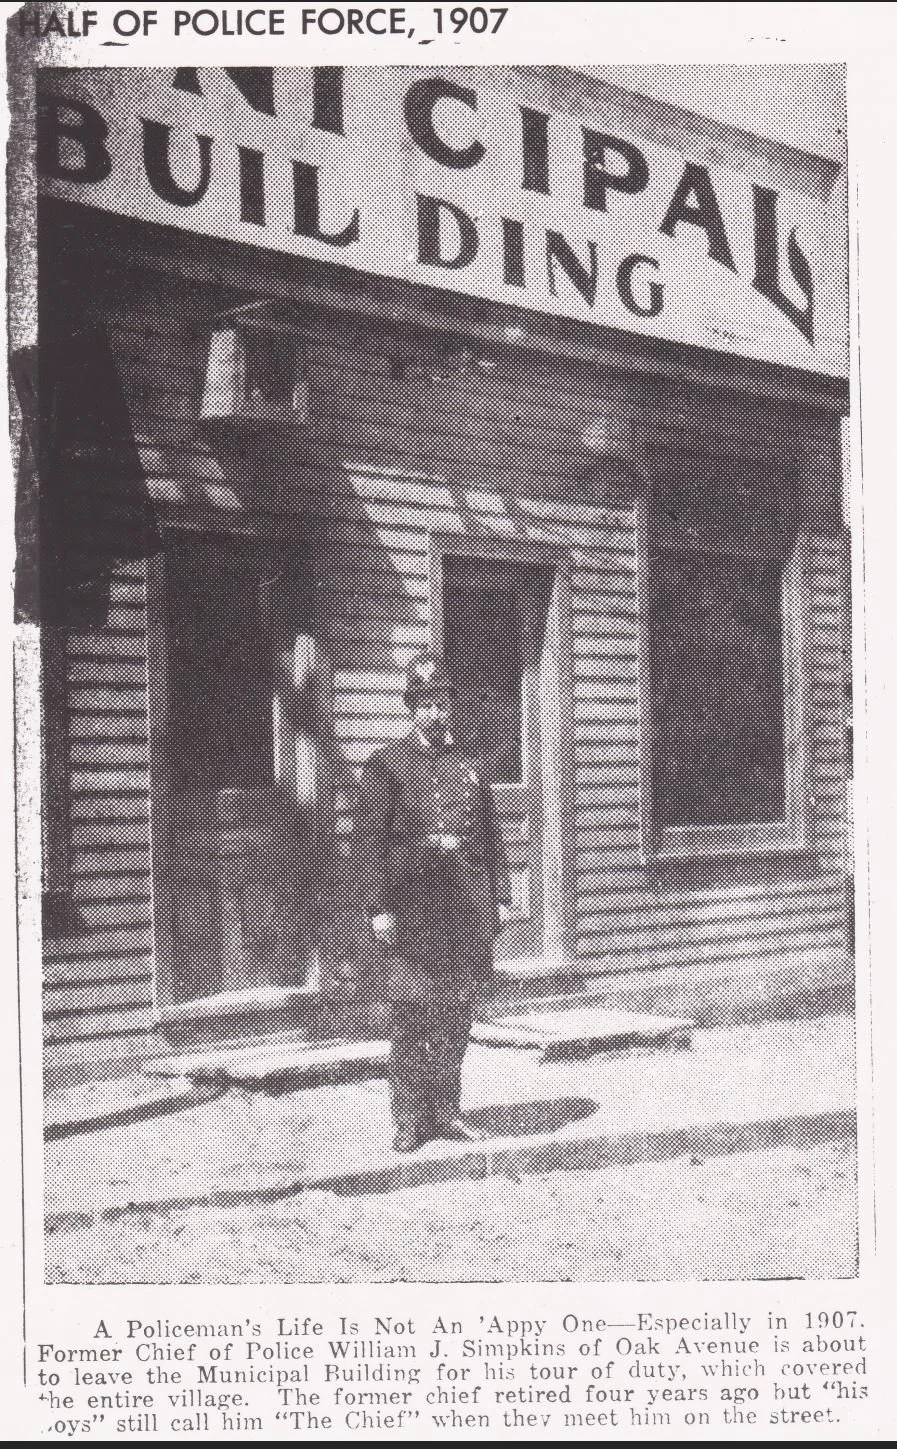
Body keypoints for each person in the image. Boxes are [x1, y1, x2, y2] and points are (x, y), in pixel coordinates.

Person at [353, 652, 514, 1152]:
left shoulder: (468, 762)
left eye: (443, 702)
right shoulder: (387, 764)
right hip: (412, 912)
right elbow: (368, 844)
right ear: (411, 707)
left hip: (463, 913)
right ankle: (408, 1116)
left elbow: (488, 835)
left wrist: (501, 895)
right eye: (426, 703)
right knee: (410, 1015)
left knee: (456, 1016)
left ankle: (446, 1111)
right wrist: (378, 907)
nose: (436, 713)